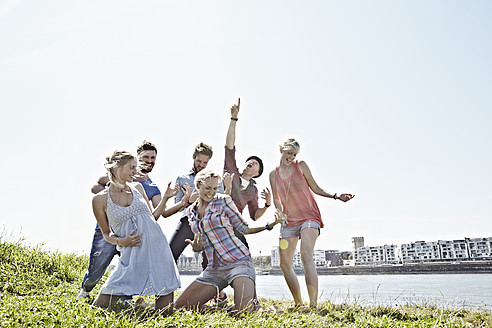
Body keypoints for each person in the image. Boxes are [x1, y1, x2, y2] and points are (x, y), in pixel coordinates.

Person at [78, 141, 184, 299]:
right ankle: (86, 290)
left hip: (145, 242)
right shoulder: (100, 198)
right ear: (118, 167)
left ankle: (128, 300)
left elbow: (153, 217)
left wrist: (170, 199)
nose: (136, 171)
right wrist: (122, 240)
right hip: (115, 231)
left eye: (152, 157)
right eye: (132, 167)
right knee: (96, 269)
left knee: (135, 273)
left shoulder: (141, 187)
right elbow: (96, 189)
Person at [174, 170, 283, 313]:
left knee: (244, 311)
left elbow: (245, 229)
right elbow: (201, 245)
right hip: (214, 269)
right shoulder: (190, 213)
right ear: (198, 185)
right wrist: (196, 248)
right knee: (180, 306)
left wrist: (270, 225)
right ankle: (226, 312)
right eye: (207, 188)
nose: (211, 192)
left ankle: (266, 309)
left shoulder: (223, 201)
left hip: (239, 263)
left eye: (214, 188)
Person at [269, 138, 354, 307]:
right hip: (289, 221)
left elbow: (316, 188)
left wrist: (336, 196)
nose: (291, 157)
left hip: (309, 216)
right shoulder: (273, 174)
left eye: (294, 154)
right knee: (285, 264)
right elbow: (277, 199)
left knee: (306, 253)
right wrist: (279, 213)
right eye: (288, 153)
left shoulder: (300, 166)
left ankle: (313, 306)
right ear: (281, 150)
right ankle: (299, 304)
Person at [168, 142, 223, 262]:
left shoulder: (215, 180)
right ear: (193, 157)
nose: (201, 165)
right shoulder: (182, 179)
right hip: (187, 223)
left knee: (210, 262)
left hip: (208, 224)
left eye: (205, 163)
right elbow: (177, 206)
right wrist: (188, 201)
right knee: (169, 256)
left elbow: (221, 204)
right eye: (199, 161)